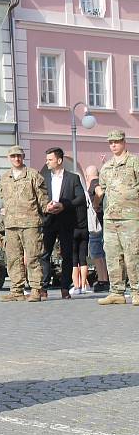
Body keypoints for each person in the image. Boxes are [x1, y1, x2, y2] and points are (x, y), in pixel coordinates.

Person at [0, 145, 49, 303]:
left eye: (19, 156)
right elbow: (3, 199)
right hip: (11, 224)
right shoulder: (5, 178)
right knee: (13, 258)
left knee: (33, 257)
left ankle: (35, 289)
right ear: (9, 158)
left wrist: (47, 209)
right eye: (13, 156)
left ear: (23, 157)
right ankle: (16, 290)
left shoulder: (33, 175)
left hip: (31, 223)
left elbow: (42, 198)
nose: (16, 159)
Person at [95, 130, 139, 306]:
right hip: (111, 218)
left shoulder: (134, 162)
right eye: (111, 142)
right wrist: (97, 195)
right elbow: (101, 190)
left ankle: (136, 291)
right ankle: (116, 291)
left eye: (117, 142)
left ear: (124, 142)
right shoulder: (106, 167)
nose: (113, 145)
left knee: (133, 255)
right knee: (113, 256)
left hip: (131, 217)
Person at [40, 147, 84, 300]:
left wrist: (64, 205)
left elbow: (80, 198)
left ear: (59, 160)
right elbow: (38, 197)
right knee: (44, 253)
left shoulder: (73, 178)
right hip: (49, 220)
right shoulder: (43, 177)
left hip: (66, 220)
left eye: (50, 160)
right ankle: (43, 287)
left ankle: (65, 287)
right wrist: (45, 206)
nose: (47, 163)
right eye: (47, 160)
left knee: (67, 255)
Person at [85, 165, 109, 292]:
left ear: (87, 175)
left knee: (96, 253)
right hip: (102, 222)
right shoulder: (99, 181)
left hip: (96, 224)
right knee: (102, 253)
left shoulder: (94, 183)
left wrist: (95, 204)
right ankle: (105, 279)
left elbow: (100, 192)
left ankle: (102, 280)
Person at [70, 177, 91, 295]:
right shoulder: (85, 197)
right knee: (83, 258)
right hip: (85, 229)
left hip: (74, 230)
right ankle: (84, 286)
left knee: (74, 260)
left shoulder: (72, 200)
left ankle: (76, 286)